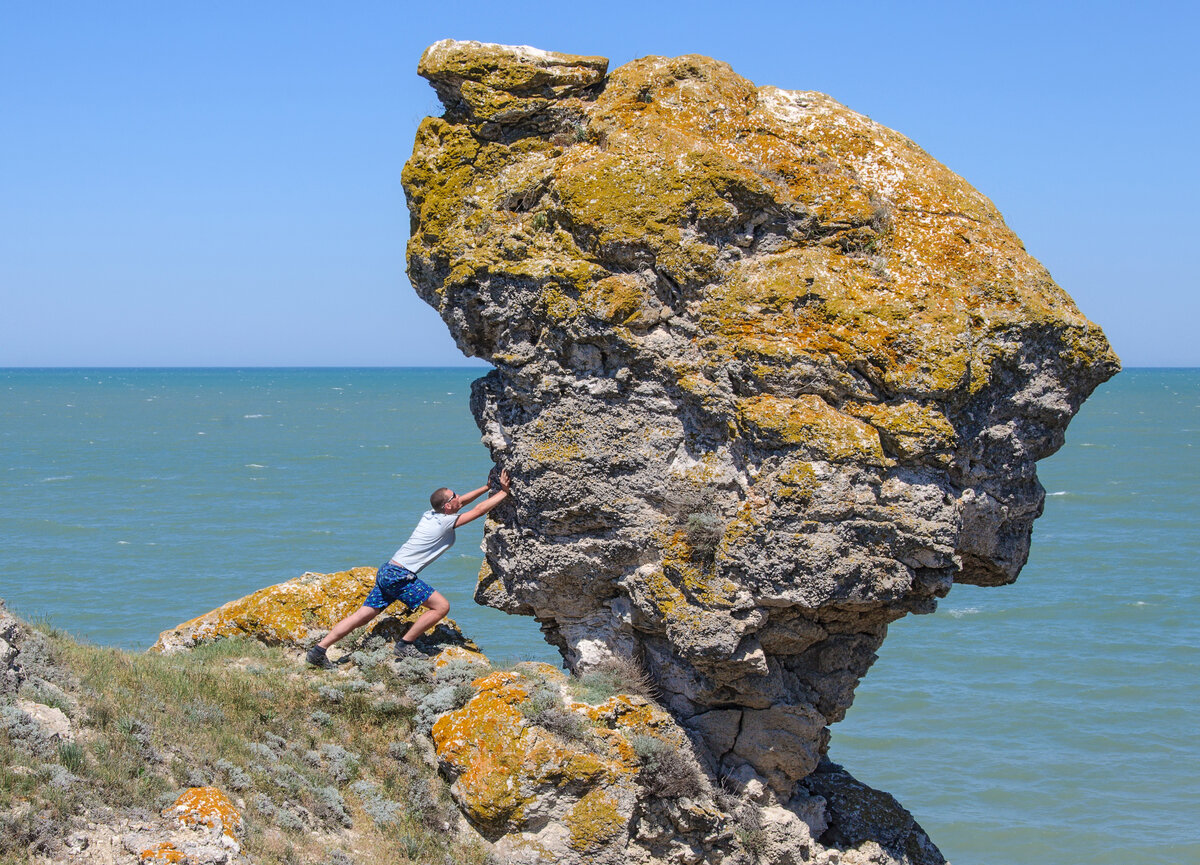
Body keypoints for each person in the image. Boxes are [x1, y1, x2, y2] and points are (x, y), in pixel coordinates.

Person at [306, 469, 511, 667]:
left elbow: (463, 502)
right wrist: (503, 492)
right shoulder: (444, 523)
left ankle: (318, 651)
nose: (459, 496)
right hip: (399, 575)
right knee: (441, 607)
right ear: (448, 506)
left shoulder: (431, 514)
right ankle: (405, 645)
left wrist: (486, 487)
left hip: (388, 570)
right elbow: (477, 511)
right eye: (454, 495)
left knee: (362, 615)